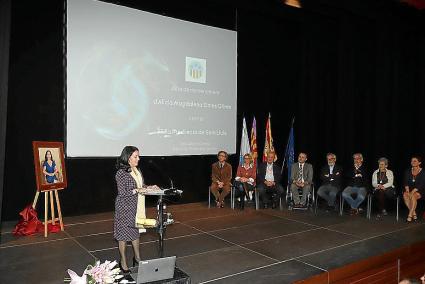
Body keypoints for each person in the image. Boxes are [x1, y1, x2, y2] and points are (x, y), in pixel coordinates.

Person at [114, 146, 159, 273]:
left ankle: (138, 258)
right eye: (135, 156)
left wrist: (149, 187)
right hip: (125, 208)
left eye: (138, 156)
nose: (138, 159)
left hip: (137, 206)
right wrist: (138, 190)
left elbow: (140, 186)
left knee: (135, 232)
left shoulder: (136, 170)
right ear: (128, 158)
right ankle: (123, 262)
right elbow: (123, 193)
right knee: (123, 235)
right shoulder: (121, 173)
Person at [403, 155, 425, 222]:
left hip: (421, 190)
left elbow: (421, 185)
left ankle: (409, 216)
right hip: (410, 189)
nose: (412, 162)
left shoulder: (423, 172)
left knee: (413, 196)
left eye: (415, 161)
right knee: (405, 195)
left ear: (419, 163)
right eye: (412, 161)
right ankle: (414, 214)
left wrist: (411, 193)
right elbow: (405, 182)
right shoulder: (408, 171)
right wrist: (407, 191)